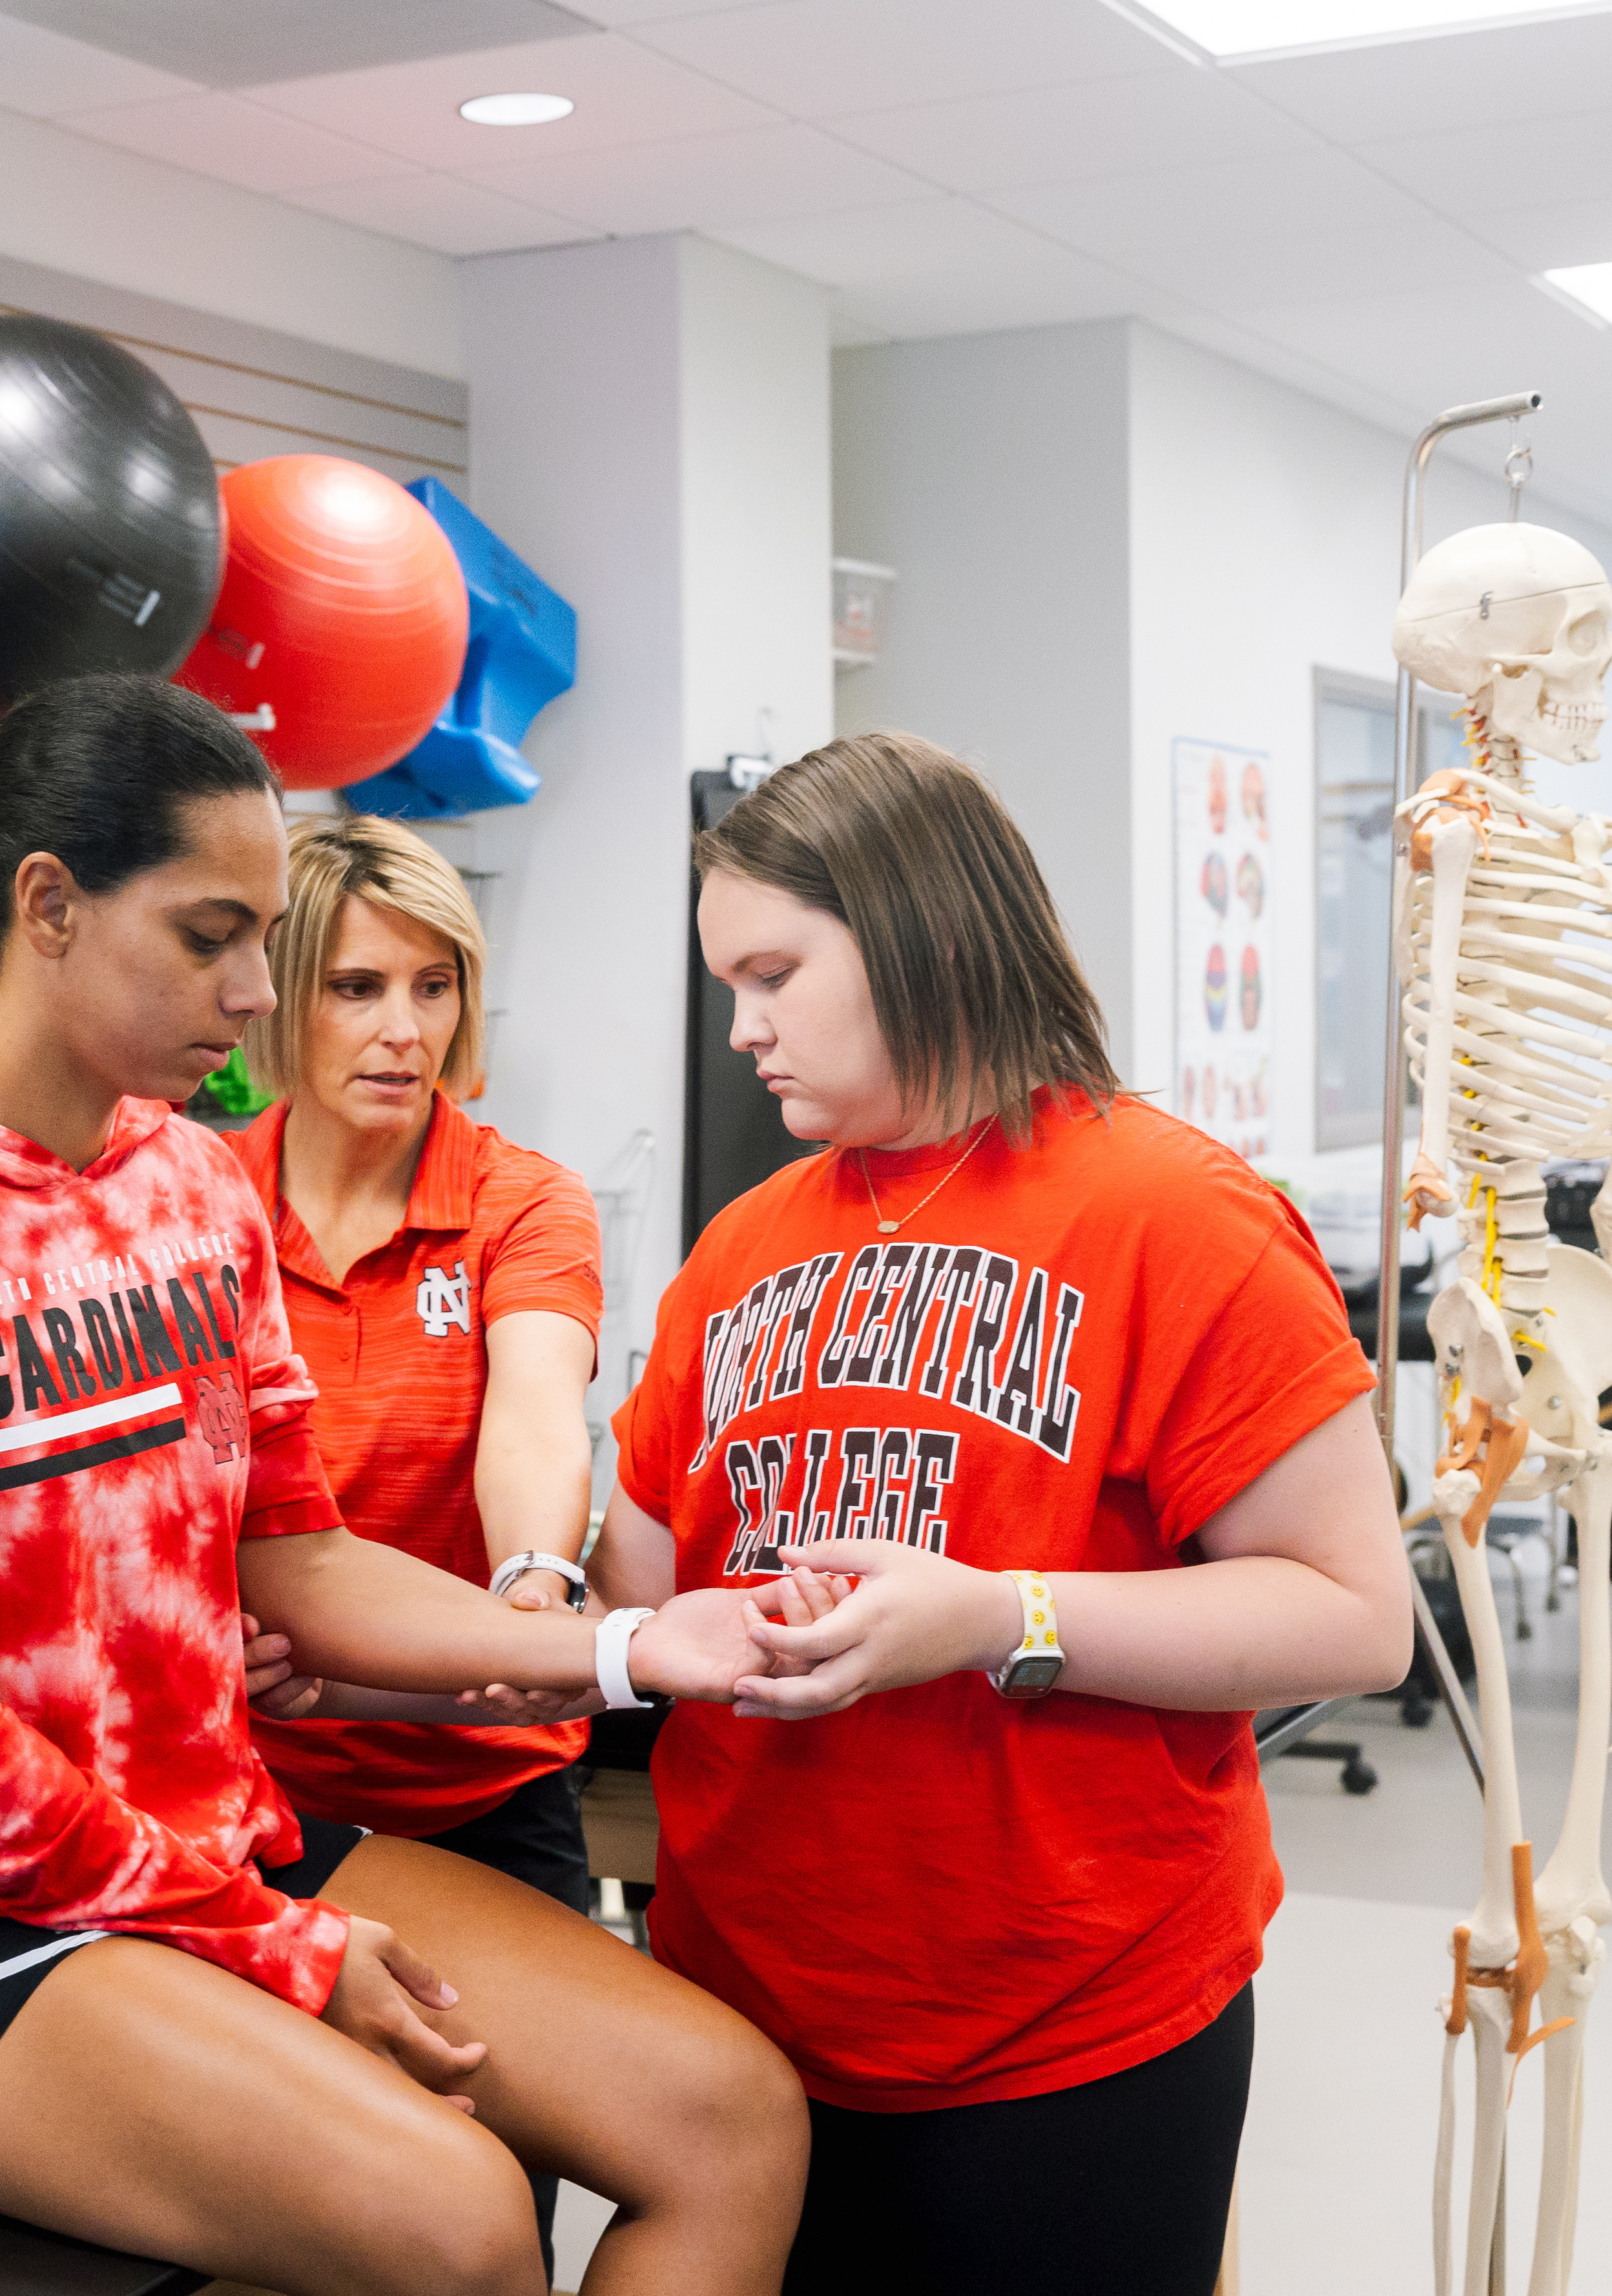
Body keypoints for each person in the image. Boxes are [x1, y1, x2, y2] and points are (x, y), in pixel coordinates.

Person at [0, 674, 804, 2296]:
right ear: (50, 905)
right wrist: (274, 1940)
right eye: (210, 933)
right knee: (466, 2217)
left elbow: (303, 1556)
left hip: (219, 1846)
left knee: (731, 2118)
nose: (251, 987)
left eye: (262, 934)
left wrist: (636, 1647)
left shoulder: (186, 1184)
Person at [594, 732, 1413, 2296]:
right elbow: (637, 1565)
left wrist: (998, 1615)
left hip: (1064, 2021)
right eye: (729, 986)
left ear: (916, 927)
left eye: (774, 973)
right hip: (749, 2011)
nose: (742, 1028)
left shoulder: (1181, 1216)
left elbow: (1354, 1612)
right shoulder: (742, 1243)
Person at [232, 817, 604, 1913]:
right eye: (356, 987)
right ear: (279, 993)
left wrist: (530, 1586)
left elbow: (537, 1414)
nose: (403, 1030)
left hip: (479, 1788)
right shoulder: (190, 1200)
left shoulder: (520, 1201)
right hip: (249, 1785)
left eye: (431, 986)